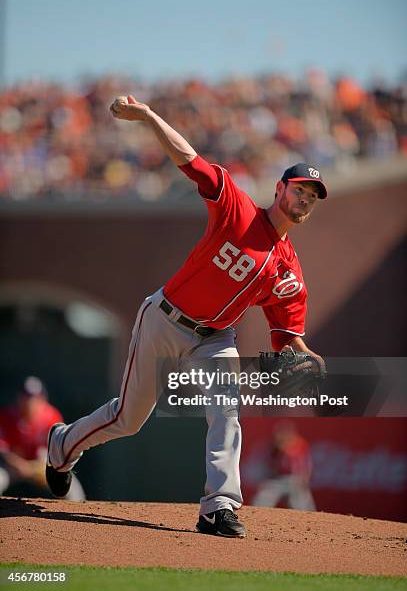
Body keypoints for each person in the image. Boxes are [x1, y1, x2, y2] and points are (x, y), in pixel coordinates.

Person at [46, 94, 327, 538]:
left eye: (312, 197)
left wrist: (307, 356)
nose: (305, 200)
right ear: (280, 189)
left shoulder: (289, 270)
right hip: (164, 318)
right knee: (128, 420)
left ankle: (218, 507)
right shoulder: (237, 210)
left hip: (216, 339)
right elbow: (188, 158)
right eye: (299, 190)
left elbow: (287, 334)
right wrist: (148, 116)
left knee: (227, 410)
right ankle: (62, 444)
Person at [0, 377, 85, 501]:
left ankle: (78, 512)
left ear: (43, 400)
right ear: (18, 398)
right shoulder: (6, 416)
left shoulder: (52, 417)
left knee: (72, 488)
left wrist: (39, 466)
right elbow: (3, 450)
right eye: (26, 397)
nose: (29, 402)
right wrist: (19, 465)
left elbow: (55, 451)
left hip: (41, 465)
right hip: (13, 465)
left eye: (34, 398)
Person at [252, 421, 316, 510]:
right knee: (261, 500)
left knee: (304, 507)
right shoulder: (273, 446)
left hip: (295, 480)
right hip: (277, 480)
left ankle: (311, 521)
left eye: (285, 433)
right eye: (280, 433)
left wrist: (305, 479)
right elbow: (268, 466)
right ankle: (254, 516)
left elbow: (306, 465)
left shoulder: (299, 444)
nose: (281, 436)